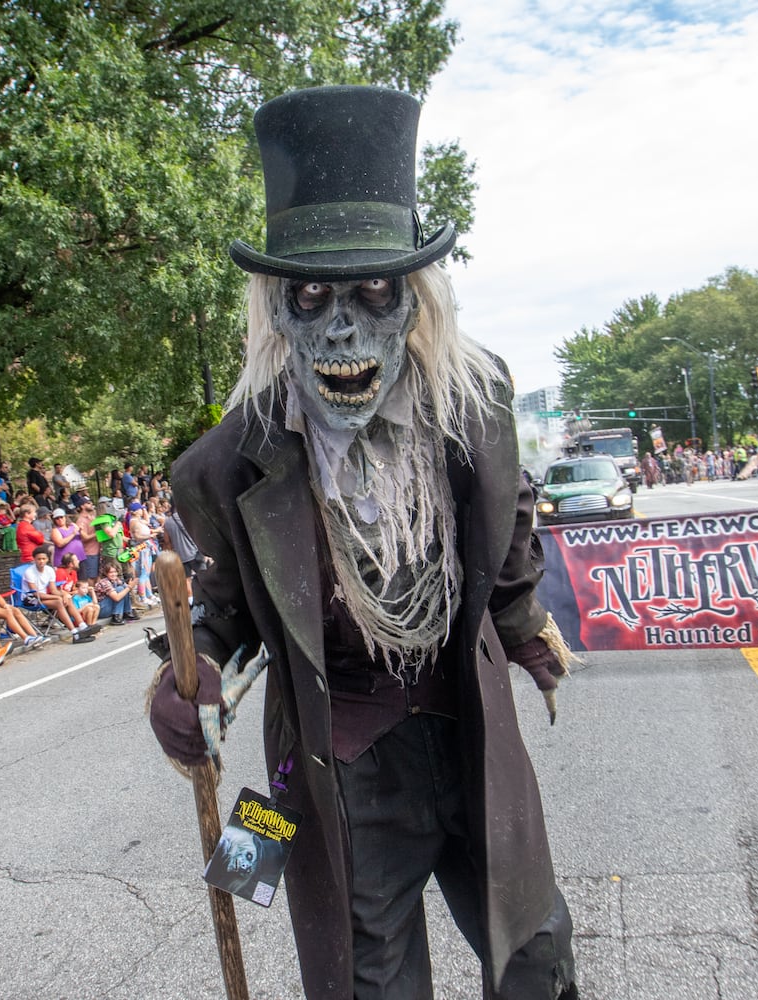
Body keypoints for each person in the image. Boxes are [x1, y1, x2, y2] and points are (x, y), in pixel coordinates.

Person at [145, 86, 576, 1000]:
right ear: (278, 311)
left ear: (413, 302)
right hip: (338, 761)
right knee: (368, 983)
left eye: (372, 290)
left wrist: (528, 627)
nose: (341, 325)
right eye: (311, 296)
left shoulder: (478, 404)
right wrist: (191, 680)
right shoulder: (224, 465)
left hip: (466, 726)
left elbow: (505, 540)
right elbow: (213, 613)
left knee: (535, 954)